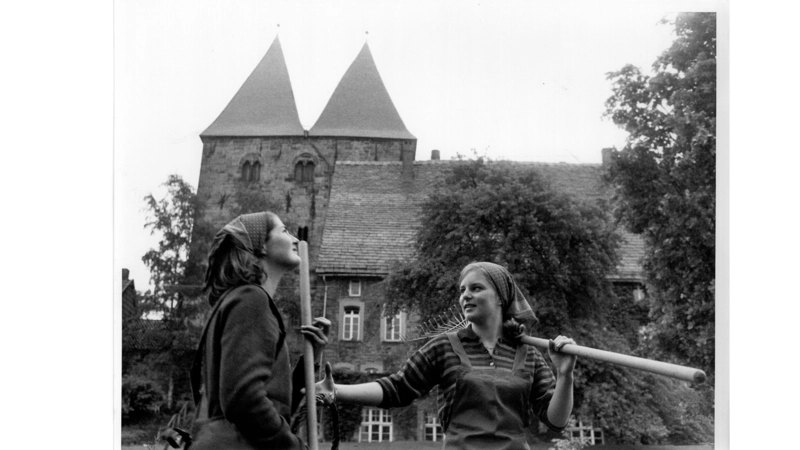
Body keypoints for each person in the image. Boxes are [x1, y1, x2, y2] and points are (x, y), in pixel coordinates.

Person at [316, 261, 576, 450]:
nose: (465, 296)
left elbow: (555, 420)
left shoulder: (527, 352)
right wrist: (336, 391)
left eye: (476, 288)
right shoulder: (443, 346)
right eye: (462, 290)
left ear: (500, 298)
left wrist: (565, 375)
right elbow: (398, 388)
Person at [187, 211, 330, 450]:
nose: (295, 239)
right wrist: (293, 447)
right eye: (284, 231)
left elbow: (273, 406)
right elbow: (244, 401)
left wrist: (310, 357)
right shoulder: (251, 299)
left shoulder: (239, 300)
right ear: (261, 246)